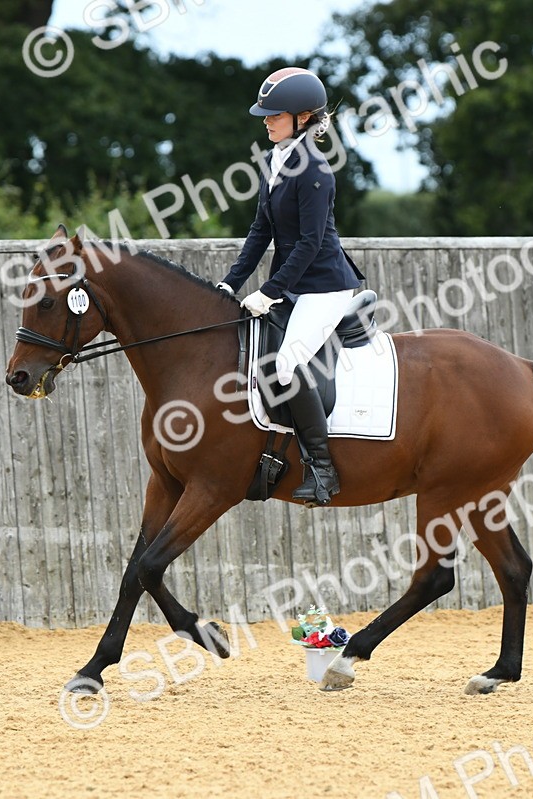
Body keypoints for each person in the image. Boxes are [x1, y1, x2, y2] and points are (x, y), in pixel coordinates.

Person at [217, 67, 365, 507]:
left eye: (274, 114)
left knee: (285, 365)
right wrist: (231, 283)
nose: (266, 120)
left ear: (303, 117)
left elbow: (309, 242)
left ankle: (322, 469)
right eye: (265, 114)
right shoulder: (278, 162)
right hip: (297, 286)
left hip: (324, 289)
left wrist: (271, 290)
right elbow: (260, 231)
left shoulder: (316, 171)